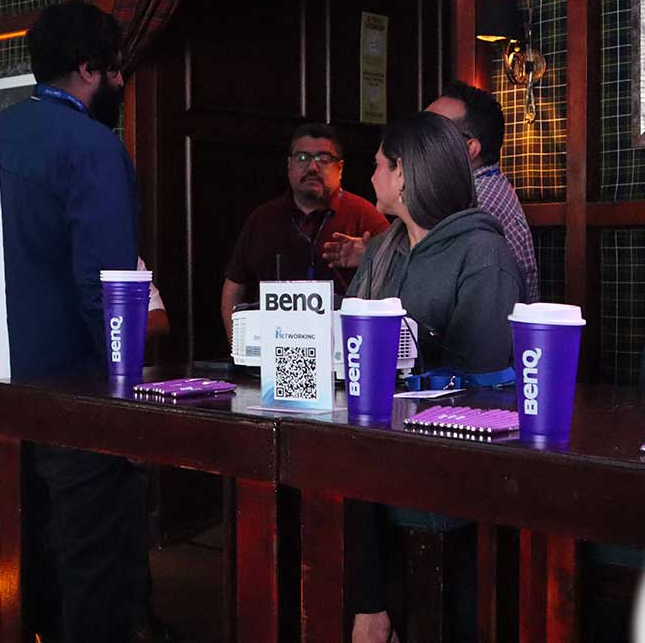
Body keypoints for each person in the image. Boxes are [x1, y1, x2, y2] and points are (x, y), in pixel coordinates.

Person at [0, 1, 147, 643]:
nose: (121, 82)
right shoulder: (93, 147)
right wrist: (128, 392)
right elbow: (105, 287)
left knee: (23, 555)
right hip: (77, 392)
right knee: (93, 566)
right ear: (89, 68)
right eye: (116, 69)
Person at [346, 112, 523, 643]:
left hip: (449, 451)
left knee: (348, 458)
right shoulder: (384, 248)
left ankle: (370, 614)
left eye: (378, 165)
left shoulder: (484, 254)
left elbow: (486, 390)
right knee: (325, 454)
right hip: (381, 438)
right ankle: (366, 611)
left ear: (403, 174)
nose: (370, 175)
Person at [324, 81, 539, 303]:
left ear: (469, 148)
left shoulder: (479, 215)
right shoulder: (400, 236)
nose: (416, 137)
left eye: (434, 129)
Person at [220, 123, 389, 344]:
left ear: (340, 168)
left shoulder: (366, 216)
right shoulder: (263, 219)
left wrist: (371, 254)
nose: (312, 167)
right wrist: (239, 352)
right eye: (302, 158)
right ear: (289, 166)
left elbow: (398, 281)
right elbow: (233, 290)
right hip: (275, 348)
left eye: (323, 159)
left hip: (346, 348)